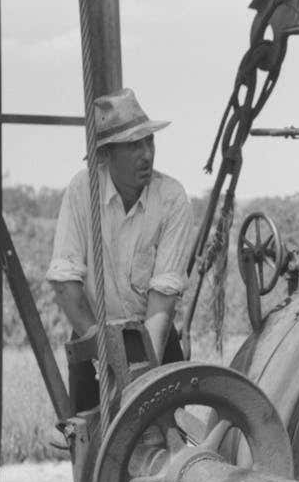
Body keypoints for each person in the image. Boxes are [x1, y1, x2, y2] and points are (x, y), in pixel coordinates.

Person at [46, 88, 193, 411]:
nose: (146, 154)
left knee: (165, 434)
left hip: (152, 338)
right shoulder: (82, 191)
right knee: (88, 435)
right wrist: (102, 352)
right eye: (133, 145)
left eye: (149, 142)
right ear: (106, 155)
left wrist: (141, 379)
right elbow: (65, 284)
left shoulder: (171, 199)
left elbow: (163, 299)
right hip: (92, 338)